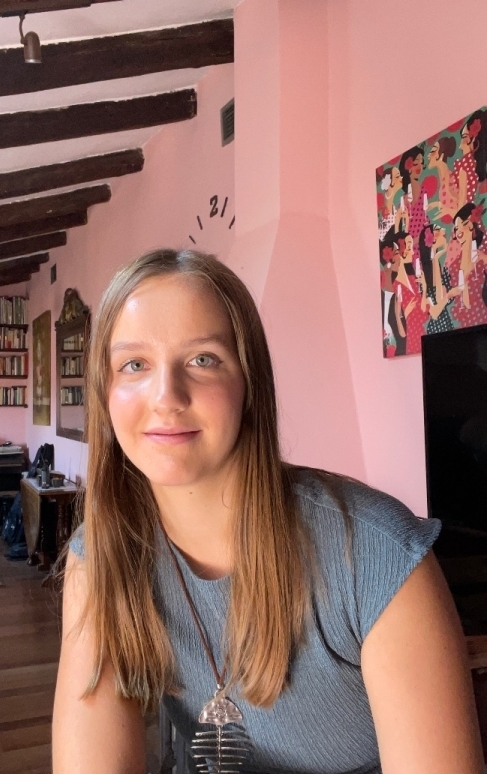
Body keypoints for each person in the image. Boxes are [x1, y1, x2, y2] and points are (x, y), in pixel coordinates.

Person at [53, 248, 483, 774]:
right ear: (105, 392)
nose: (166, 397)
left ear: (249, 384)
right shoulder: (100, 557)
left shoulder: (377, 555)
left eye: (203, 359)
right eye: (134, 365)